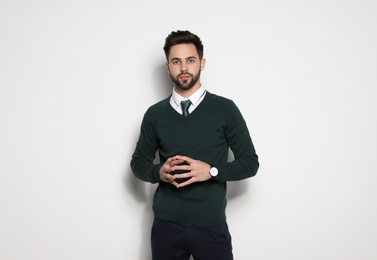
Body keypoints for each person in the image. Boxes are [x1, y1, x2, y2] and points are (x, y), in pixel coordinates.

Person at [130, 30, 259, 260]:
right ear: (167, 66)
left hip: (211, 227)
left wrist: (210, 171)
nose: (184, 68)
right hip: (166, 228)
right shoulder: (155, 114)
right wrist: (158, 172)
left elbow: (250, 163)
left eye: (190, 60)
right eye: (176, 61)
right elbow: (138, 163)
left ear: (202, 63)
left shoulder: (225, 109)